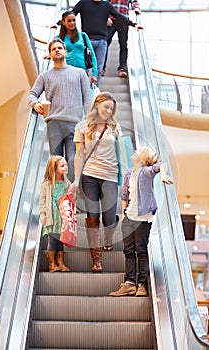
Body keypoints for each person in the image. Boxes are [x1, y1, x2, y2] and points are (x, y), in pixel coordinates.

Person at [109, 147, 173, 297]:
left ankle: (142, 285)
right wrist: (124, 214)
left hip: (143, 218)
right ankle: (130, 283)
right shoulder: (128, 174)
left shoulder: (146, 172)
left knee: (141, 250)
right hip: (129, 217)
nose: (136, 151)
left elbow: (161, 165)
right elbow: (124, 196)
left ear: (144, 160)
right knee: (128, 250)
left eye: (140, 151)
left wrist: (163, 176)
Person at [27, 38, 92, 182]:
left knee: (72, 161)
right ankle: (58, 198)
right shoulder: (45, 76)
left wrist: (88, 121)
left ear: (65, 51)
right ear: (50, 54)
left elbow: (88, 99)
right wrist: (34, 103)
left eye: (59, 48)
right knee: (56, 163)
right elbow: (32, 94)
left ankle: (72, 197)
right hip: (54, 124)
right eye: (53, 49)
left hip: (75, 124)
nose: (57, 50)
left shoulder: (80, 73)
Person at [70, 92, 122, 272]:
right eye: (106, 107)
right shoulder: (83, 127)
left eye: (111, 109)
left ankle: (108, 237)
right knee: (92, 217)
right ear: (97, 104)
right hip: (89, 175)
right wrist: (76, 179)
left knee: (109, 217)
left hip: (110, 176)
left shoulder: (115, 127)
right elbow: (79, 155)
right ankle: (96, 260)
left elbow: (122, 153)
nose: (108, 111)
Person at [71, 0, 143, 86]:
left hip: (110, 32)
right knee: (85, 67)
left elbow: (121, 13)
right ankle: (87, 86)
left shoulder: (106, 5)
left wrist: (134, 22)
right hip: (95, 34)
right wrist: (59, 23)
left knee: (122, 45)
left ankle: (96, 90)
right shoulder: (85, 3)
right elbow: (71, 14)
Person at [39, 155, 72, 273]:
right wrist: (43, 215)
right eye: (62, 166)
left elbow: (70, 199)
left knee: (61, 240)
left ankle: (61, 263)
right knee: (52, 240)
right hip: (52, 217)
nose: (66, 167)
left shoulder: (67, 184)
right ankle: (52, 264)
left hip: (62, 217)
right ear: (54, 169)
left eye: (66, 165)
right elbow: (42, 201)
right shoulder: (46, 185)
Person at [102, 0, 142, 78]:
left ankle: (122, 69)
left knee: (123, 44)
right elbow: (104, 4)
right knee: (104, 43)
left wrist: (136, 8)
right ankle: (101, 68)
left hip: (124, 20)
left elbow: (134, 1)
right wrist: (106, 17)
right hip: (111, 20)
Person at [57, 11, 97, 85]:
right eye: (69, 21)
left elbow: (92, 55)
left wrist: (94, 74)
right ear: (63, 22)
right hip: (65, 72)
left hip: (81, 71)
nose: (72, 23)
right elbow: (54, 52)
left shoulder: (83, 36)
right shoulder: (58, 38)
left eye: (74, 20)